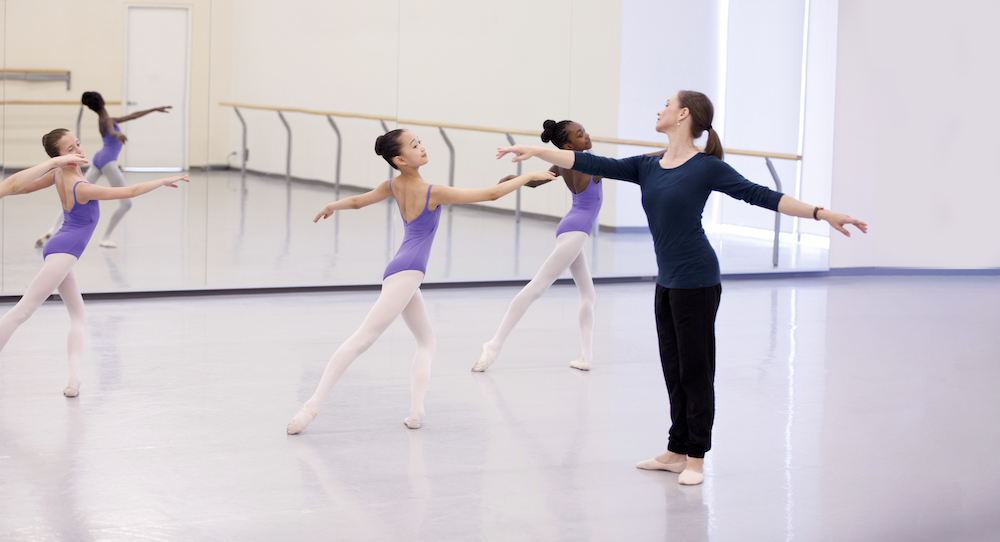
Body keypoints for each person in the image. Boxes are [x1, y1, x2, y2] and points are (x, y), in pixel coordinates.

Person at [496, 90, 867, 486]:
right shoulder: (648, 165)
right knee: (673, 369)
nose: (659, 109)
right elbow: (588, 161)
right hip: (667, 282)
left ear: (683, 115)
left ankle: (696, 458)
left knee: (695, 371)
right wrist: (536, 151)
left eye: (666, 105)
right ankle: (675, 450)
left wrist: (820, 213)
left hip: (697, 280)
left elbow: (761, 195)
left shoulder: (706, 167)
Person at [286, 129, 554, 434]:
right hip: (409, 271)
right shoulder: (432, 191)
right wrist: (527, 176)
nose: (422, 148)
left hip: (402, 271)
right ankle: (310, 407)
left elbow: (360, 201)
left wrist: (333, 206)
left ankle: (416, 413)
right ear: (400, 159)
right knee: (362, 340)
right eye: (415, 145)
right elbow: (489, 195)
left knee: (427, 342)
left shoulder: (394, 185)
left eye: (420, 142)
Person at [0, 128, 188, 397]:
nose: (79, 150)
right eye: (70, 150)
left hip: (60, 250)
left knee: (78, 317)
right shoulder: (81, 187)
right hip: (64, 252)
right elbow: (131, 190)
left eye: (77, 143)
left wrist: (54, 165)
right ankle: (73, 379)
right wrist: (162, 180)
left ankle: (74, 380)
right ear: (59, 157)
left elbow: (24, 189)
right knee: (23, 311)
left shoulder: (59, 176)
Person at [473, 119, 601, 373]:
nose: (586, 136)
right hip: (576, 230)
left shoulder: (566, 161)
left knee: (588, 295)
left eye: (584, 130)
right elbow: (633, 164)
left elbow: (535, 181)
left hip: (572, 227)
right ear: (567, 144)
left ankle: (586, 357)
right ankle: (494, 344)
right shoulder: (589, 163)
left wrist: (513, 179)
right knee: (537, 288)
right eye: (580, 134)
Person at [35, 91, 172, 249]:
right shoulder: (108, 121)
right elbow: (113, 131)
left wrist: (154, 109)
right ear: (103, 101)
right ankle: (105, 237)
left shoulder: (105, 119)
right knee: (126, 204)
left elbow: (134, 116)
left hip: (98, 159)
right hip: (108, 162)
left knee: (72, 195)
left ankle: (52, 229)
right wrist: (118, 133)